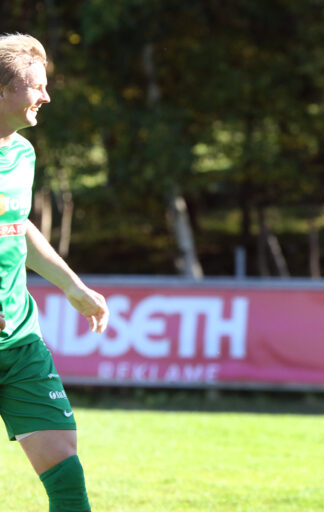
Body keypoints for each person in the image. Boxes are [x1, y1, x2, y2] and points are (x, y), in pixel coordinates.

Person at [0, 33, 109, 511]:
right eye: (35, 86)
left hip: (18, 340)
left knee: (64, 462)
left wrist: (72, 286)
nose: (45, 96)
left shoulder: (22, 154)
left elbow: (17, 226)